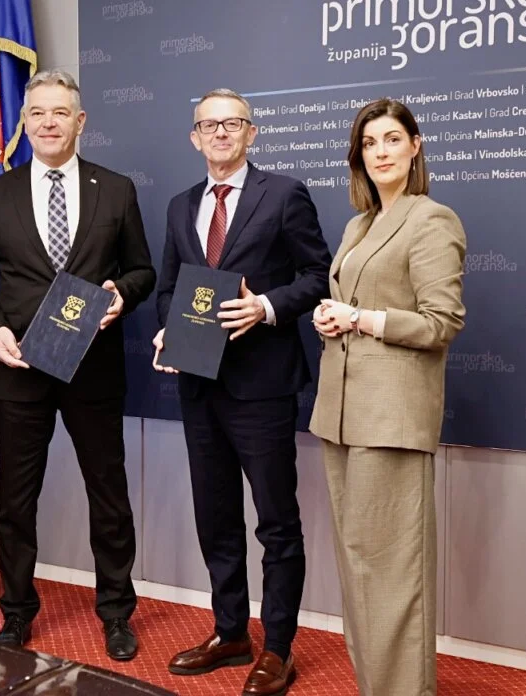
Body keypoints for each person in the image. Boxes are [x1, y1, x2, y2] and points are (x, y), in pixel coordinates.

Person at [0, 70, 155, 660]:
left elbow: (143, 271)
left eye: (60, 112)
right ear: (24, 122)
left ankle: (116, 613)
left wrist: (122, 295)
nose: (48, 122)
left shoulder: (115, 189)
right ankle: (16, 613)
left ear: (80, 121)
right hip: (19, 367)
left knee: (109, 497)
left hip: (94, 367)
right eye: (37, 113)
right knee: (16, 502)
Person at [152, 88, 332, 696]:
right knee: (216, 517)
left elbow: (318, 275)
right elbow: (168, 288)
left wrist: (267, 307)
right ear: (195, 138)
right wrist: (167, 330)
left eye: (233, 123)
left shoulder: (283, 194)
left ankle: (277, 648)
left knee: (276, 523)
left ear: (251, 133)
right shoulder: (180, 205)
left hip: (262, 386)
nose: (221, 133)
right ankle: (230, 632)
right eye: (210, 125)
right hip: (198, 385)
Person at [309, 98, 466, 696]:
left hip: (392, 417)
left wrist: (362, 318)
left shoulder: (433, 219)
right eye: (369, 143)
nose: (380, 152)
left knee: (394, 572)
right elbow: (356, 305)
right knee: (359, 565)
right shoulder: (359, 225)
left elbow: (440, 323)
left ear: (415, 146)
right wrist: (332, 317)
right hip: (341, 414)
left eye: (392, 139)